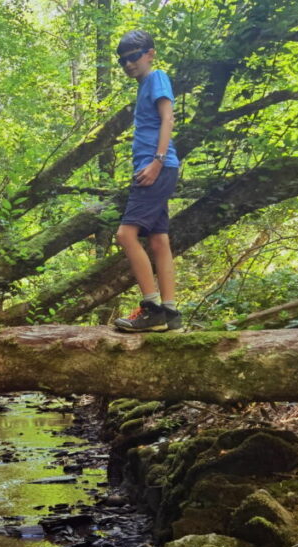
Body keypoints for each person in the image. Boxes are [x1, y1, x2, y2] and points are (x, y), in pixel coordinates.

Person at [112, 30, 182, 333]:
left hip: (155, 167)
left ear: (150, 54)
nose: (129, 64)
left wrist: (156, 161)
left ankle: (151, 309)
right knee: (158, 240)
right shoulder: (143, 87)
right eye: (123, 60)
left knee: (125, 235)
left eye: (134, 56)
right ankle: (170, 314)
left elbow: (168, 118)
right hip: (156, 167)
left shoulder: (157, 78)